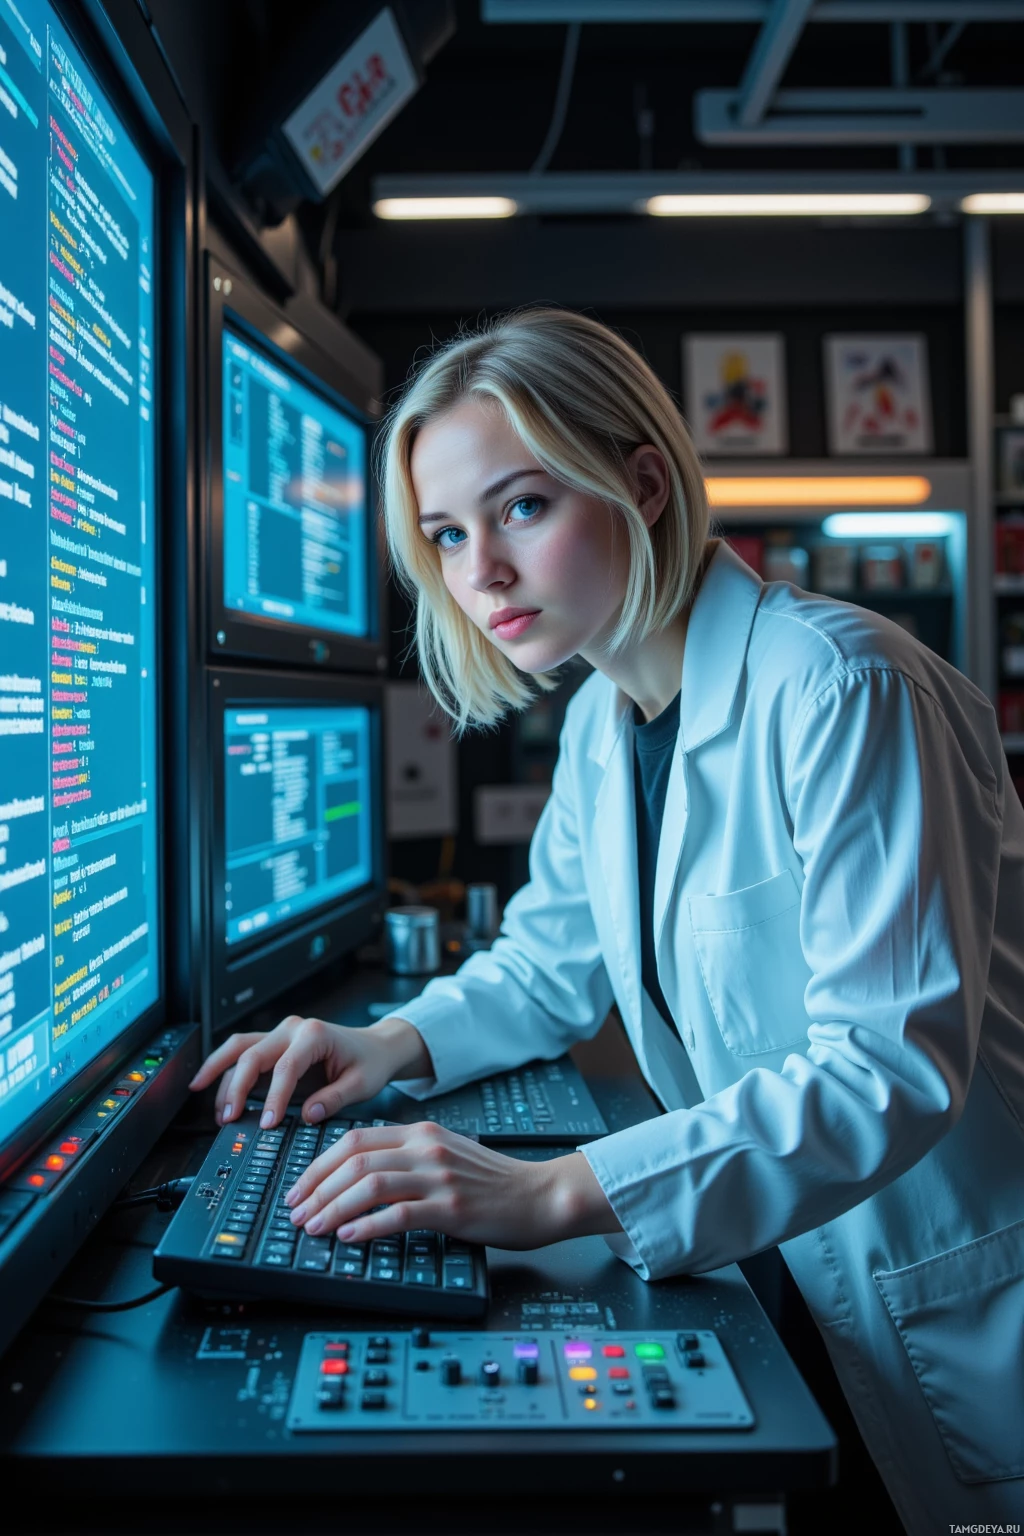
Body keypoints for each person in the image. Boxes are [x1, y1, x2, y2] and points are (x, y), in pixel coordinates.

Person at [190, 309, 1024, 1531]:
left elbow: (885, 1071)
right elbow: (549, 964)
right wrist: (387, 1045)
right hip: (790, 1266)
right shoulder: (602, 716)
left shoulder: (845, 686)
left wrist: (552, 1193)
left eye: (521, 507)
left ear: (641, 483)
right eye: (446, 534)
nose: (481, 571)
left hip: (938, 1288)